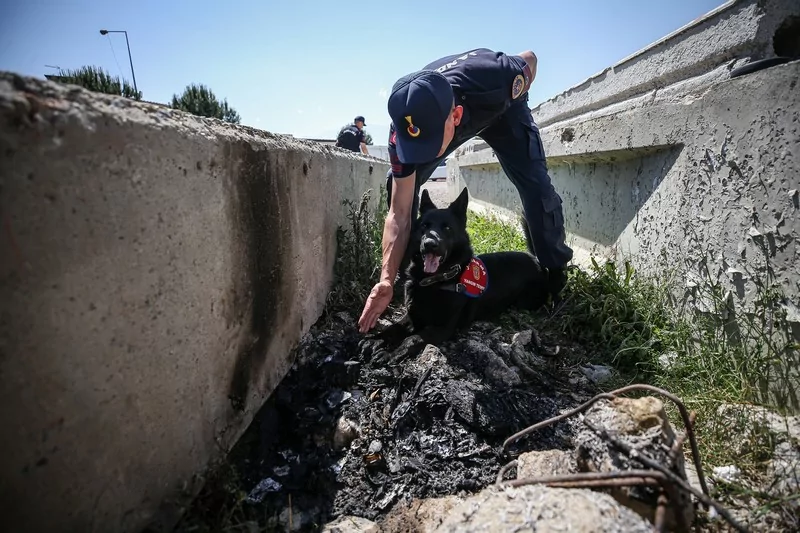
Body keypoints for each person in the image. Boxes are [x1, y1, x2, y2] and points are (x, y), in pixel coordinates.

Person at [358, 48, 573, 333]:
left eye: (429, 144)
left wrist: (515, 100)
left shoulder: (499, 77)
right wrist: (386, 277)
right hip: (452, 110)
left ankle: (555, 269)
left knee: (535, 185)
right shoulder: (403, 130)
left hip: (502, 109)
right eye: (415, 147)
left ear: (456, 116)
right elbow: (399, 212)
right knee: (396, 183)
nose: (422, 155)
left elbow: (530, 58)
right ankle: (415, 274)